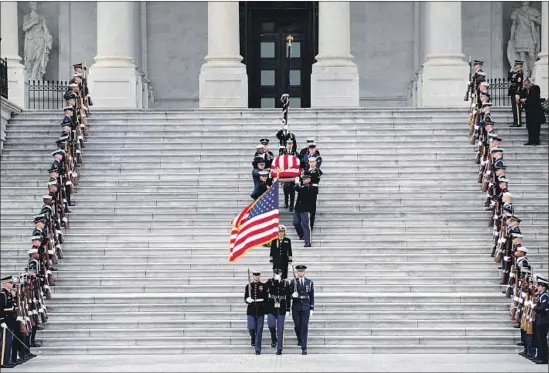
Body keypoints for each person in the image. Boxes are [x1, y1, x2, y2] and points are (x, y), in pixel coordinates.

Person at [265, 269, 292, 355]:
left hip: (282, 307)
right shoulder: (270, 281)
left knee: (280, 329)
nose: (277, 274)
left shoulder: (285, 283)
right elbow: (264, 290)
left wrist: (288, 309)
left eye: (278, 273)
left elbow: (288, 297)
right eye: (275, 273)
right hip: (271, 307)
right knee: (271, 324)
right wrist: (273, 281)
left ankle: (279, 349)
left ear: (281, 274)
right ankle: (273, 338)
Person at [290, 265, 315, 355]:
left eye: (302, 271)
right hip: (296, 306)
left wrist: (312, 307)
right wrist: (292, 295)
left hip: (305, 306)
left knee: (304, 326)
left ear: (304, 272)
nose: (301, 272)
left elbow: (311, 296)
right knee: (297, 325)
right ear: (297, 272)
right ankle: (299, 338)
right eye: (299, 271)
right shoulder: (293, 282)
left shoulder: (309, 282)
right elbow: (288, 294)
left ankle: (304, 347)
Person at [244, 271, 267, 355]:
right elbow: (245, 298)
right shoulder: (248, 286)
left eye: (257, 275)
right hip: (251, 310)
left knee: (259, 330)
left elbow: (266, 298)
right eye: (255, 275)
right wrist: (247, 299)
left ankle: (258, 349)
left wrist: (265, 309)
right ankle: (253, 338)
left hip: (260, 309)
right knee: (251, 327)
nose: (256, 277)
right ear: (253, 276)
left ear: (259, 276)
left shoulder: (263, 286)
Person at [520, 78, 546, 145]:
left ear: (530, 84)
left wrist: (526, 99)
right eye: (524, 85)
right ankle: (530, 140)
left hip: (536, 111)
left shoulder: (535, 88)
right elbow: (521, 96)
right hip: (529, 112)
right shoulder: (525, 90)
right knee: (529, 127)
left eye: (526, 85)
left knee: (536, 127)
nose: (525, 87)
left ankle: (536, 141)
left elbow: (534, 98)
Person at [293, 174, 315, 247]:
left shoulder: (311, 187)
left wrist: (297, 184)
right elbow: (297, 189)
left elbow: (301, 191)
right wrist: (297, 185)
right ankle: (301, 235)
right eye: (303, 179)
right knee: (295, 222)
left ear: (309, 179)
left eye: (305, 179)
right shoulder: (302, 187)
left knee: (305, 225)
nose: (303, 180)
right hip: (298, 208)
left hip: (306, 208)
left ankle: (308, 241)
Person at [533, 275, 549, 364]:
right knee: (539, 340)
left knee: (542, 340)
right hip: (540, 319)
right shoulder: (541, 295)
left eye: (539, 285)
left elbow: (542, 308)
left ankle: (544, 359)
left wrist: (534, 307)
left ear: (543, 286)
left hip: (544, 320)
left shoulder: (545, 296)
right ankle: (540, 356)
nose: (537, 287)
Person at [508, 60, 524, 127]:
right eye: (515, 65)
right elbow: (509, 78)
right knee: (514, 108)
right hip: (512, 92)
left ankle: (518, 122)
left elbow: (519, 84)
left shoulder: (519, 73)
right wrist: (510, 71)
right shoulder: (514, 72)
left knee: (516, 108)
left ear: (519, 65)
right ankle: (515, 121)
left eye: (516, 65)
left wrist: (517, 93)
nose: (515, 66)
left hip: (516, 92)